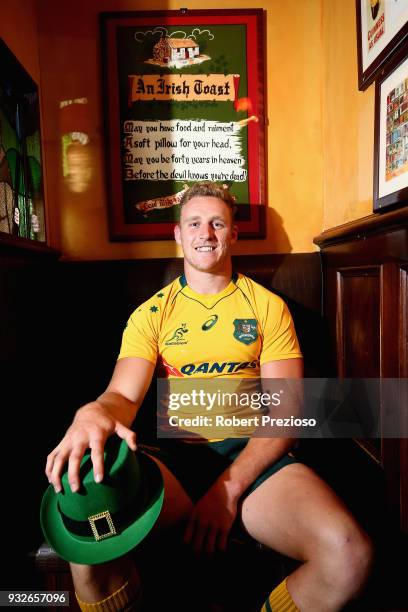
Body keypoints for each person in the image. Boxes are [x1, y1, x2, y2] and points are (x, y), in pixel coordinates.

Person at [45, 182, 373, 612]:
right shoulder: (151, 313)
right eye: (194, 223)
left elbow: (288, 412)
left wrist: (228, 489)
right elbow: (121, 395)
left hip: (252, 455)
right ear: (179, 235)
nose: (206, 233)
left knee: (349, 554)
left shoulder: (267, 306)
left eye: (218, 223)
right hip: (172, 458)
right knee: (86, 544)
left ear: (233, 234)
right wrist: (92, 413)